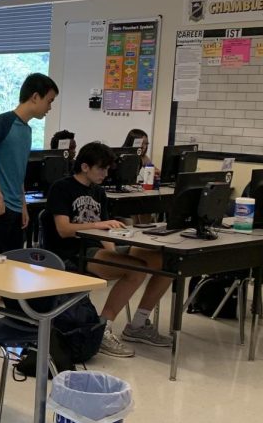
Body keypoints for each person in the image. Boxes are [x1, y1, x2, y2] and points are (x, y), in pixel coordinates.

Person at [43, 142, 174, 358]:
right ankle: (102, 329)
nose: (105, 174)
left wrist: (113, 253)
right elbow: (64, 230)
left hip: (95, 248)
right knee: (135, 270)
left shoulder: (98, 192)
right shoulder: (62, 187)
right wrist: (98, 226)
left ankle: (138, 325)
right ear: (85, 167)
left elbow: (104, 233)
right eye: (101, 169)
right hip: (70, 252)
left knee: (160, 260)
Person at [0, 73, 59, 258]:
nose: (50, 107)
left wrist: (23, 205)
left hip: (13, 206)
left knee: (12, 264)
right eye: (49, 101)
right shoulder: (1, 123)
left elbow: (18, 171)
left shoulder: (27, 130)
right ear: (35, 97)